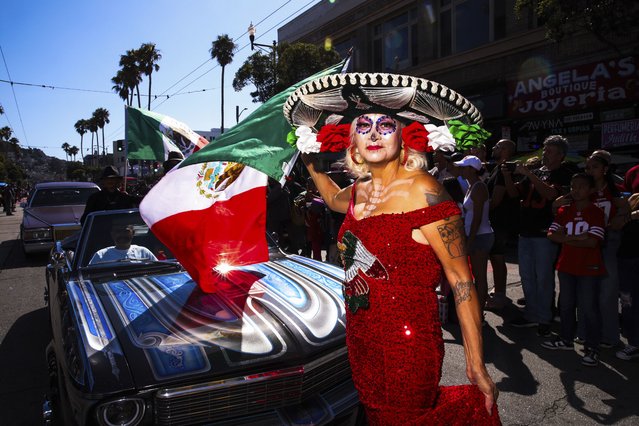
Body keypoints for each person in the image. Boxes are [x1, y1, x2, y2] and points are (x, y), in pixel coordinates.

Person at [284, 73, 500, 425]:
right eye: (363, 126)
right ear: (352, 143)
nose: (372, 133)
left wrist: (476, 365)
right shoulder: (359, 192)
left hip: (408, 343)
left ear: (405, 139)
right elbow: (330, 198)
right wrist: (308, 158)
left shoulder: (424, 190)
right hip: (361, 337)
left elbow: (462, 282)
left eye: (385, 125)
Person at [504, 135, 573, 338]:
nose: (545, 154)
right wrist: (507, 174)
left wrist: (528, 173)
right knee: (527, 276)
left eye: (549, 151)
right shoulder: (535, 172)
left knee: (543, 277)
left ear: (561, 155)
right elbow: (514, 193)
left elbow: (551, 195)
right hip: (525, 231)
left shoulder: (563, 173)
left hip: (545, 234)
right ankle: (531, 314)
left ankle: (544, 317)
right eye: (545, 150)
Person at [542, 173, 605, 367]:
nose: (576, 190)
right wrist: (577, 238)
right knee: (566, 306)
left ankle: (592, 348)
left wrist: (566, 236)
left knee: (589, 308)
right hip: (566, 265)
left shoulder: (596, 212)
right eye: (573, 185)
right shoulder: (563, 210)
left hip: (588, 267)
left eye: (581, 186)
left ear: (591, 190)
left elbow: (592, 241)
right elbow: (552, 235)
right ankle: (566, 339)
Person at [455, 155, 494, 316]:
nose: (461, 170)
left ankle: (479, 312)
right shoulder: (473, 186)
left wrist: (469, 240)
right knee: (476, 275)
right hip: (475, 234)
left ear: (472, 170)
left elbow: (477, 218)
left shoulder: (478, 187)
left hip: (480, 235)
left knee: (479, 275)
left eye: (464, 167)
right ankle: (477, 310)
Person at [486, 139, 518, 310]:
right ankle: (498, 292)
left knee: (497, 257)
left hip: (500, 220)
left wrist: (479, 210)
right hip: (497, 220)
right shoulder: (498, 168)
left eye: (497, 146)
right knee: (495, 257)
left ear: (506, 150)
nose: (494, 148)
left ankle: (499, 295)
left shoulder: (504, 170)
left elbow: (496, 199)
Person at [616, 192, 639, 360]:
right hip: (627, 259)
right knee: (628, 301)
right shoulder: (633, 200)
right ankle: (634, 343)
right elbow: (615, 224)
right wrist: (631, 214)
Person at [89, 221, 157, 264]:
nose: (122, 235)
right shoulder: (100, 255)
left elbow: (157, 269)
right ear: (112, 234)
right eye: (118, 231)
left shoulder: (143, 252)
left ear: (133, 233)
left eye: (126, 231)